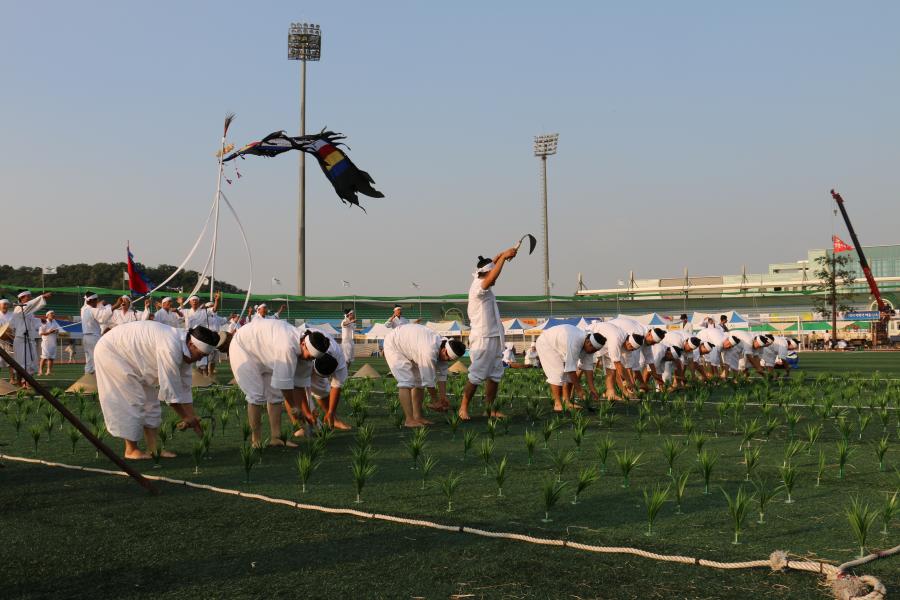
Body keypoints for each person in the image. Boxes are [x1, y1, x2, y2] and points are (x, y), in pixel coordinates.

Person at [94, 321, 229, 460]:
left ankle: (154, 450)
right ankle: (131, 450)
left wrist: (192, 418)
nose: (200, 359)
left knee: (151, 401)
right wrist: (186, 417)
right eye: (200, 355)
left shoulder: (185, 351)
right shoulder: (171, 348)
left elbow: (184, 389)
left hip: (133, 356)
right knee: (132, 400)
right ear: (191, 345)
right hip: (112, 351)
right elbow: (170, 393)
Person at [229, 319, 333, 446]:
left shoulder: (307, 354)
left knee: (275, 394)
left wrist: (307, 413)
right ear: (304, 345)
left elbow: (300, 386)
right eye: (310, 357)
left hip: (266, 352)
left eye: (313, 358)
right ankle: (256, 440)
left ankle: (276, 437)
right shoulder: (287, 348)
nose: (310, 360)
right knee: (257, 394)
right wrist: (295, 407)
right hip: (244, 347)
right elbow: (286, 388)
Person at [459, 248, 518, 420]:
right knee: (477, 374)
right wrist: (504, 258)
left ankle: (490, 410)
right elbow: (492, 276)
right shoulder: (479, 286)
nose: (494, 280)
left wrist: (501, 256)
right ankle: (463, 408)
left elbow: (490, 270)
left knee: (495, 375)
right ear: (486, 273)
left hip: (493, 337)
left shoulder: (482, 280)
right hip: (483, 338)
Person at [384, 323, 466, 426]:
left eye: (449, 360)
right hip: (394, 344)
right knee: (406, 381)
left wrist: (443, 397)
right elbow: (429, 381)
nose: (447, 361)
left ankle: (418, 417)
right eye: (447, 358)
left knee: (418, 382)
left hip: (410, 345)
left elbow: (442, 376)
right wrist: (435, 401)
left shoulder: (444, 347)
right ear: (444, 350)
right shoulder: (429, 351)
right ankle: (409, 420)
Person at [535, 325, 606, 412]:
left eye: (595, 351)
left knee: (568, 376)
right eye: (593, 350)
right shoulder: (575, 342)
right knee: (558, 373)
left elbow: (588, 367)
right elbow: (571, 370)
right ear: (588, 342)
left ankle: (567, 402)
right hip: (546, 343)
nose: (593, 352)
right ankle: (557, 403)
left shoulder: (590, 347)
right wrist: (579, 390)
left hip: (560, 345)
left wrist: (592, 388)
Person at [306, 327, 352, 430]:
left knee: (322, 389)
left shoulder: (338, 357)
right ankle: (300, 426)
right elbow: (302, 389)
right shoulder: (305, 353)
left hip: (318, 349)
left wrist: (331, 411)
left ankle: (333, 418)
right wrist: (310, 411)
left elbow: (337, 385)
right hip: (306, 348)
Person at [589, 320, 638, 401]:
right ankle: (571, 395)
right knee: (581, 367)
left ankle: (611, 393)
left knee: (611, 369)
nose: (631, 350)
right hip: (592, 337)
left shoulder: (627, 342)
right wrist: (627, 383)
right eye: (632, 348)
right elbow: (618, 365)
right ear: (629, 343)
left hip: (604, 343)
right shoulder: (616, 340)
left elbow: (627, 367)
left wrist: (631, 383)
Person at [11, 290, 52, 386]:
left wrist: (41, 320)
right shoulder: (18, 308)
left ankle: (28, 383)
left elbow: (31, 319)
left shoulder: (28, 311)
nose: (30, 298)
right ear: (22, 298)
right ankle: (20, 383)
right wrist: (42, 297)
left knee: (31, 362)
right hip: (21, 339)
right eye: (28, 296)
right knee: (21, 363)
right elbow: (30, 305)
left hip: (29, 338)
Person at [81, 292, 117, 374]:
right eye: (96, 301)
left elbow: (98, 310)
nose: (97, 302)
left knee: (90, 358)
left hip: (86, 337)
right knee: (98, 356)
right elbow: (103, 315)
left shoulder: (84, 309)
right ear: (93, 301)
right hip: (93, 337)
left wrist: (102, 305)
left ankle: (88, 374)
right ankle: (98, 374)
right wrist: (116, 305)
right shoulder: (92, 310)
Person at [39, 310, 61, 376]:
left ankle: (49, 371)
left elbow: (58, 331)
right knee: (44, 357)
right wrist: (49, 332)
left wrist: (56, 331)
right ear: (47, 315)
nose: (53, 315)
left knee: (51, 358)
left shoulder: (55, 322)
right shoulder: (44, 322)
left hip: (53, 342)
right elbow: (41, 333)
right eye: (51, 314)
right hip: (46, 343)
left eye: (53, 314)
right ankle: (40, 371)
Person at [0, 299, 13, 382]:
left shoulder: (12, 315)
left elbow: (14, 327)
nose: (6, 306)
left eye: (7, 305)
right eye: (4, 304)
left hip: (9, 341)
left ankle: (12, 379)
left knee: (11, 361)